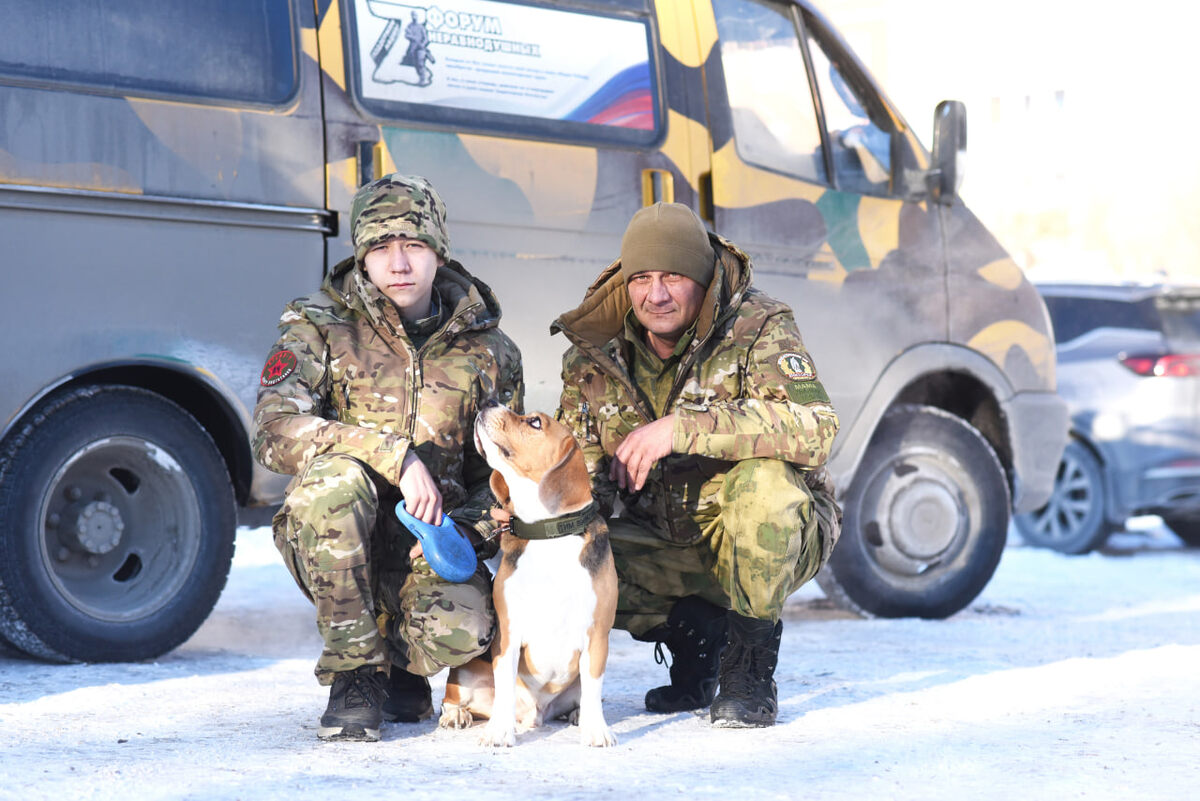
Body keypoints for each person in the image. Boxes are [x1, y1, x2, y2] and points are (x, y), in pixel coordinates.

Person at [252, 174, 523, 742]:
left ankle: (401, 661)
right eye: (379, 247)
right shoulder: (318, 326)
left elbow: (499, 477)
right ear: (361, 255)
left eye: (413, 245)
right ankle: (355, 673)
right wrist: (392, 454)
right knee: (336, 481)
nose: (398, 262)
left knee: (468, 629)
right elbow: (275, 432)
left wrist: (463, 536)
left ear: (438, 250)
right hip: (335, 534)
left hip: (428, 539)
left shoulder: (490, 350)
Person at [551, 202, 841, 728]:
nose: (655, 295)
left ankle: (748, 668)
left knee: (764, 484)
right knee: (565, 552)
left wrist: (682, 428)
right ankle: (697, 637)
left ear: (704, 280)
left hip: (760, 535)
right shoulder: (592, 357)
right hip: (660, 540)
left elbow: (816, 427)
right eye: (641, 277)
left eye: (674, 277)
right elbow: (581, 483)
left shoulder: (758, 326)